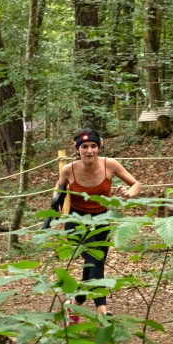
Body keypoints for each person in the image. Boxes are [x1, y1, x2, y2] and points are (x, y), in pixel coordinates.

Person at [54, 129, 142, 319]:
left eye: (93, 146)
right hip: (77, 222)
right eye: (84, 147)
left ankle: (75, 303)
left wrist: (128, 194)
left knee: (94, 265)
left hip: (102, 221)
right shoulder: (69, 169)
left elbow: (136, 184)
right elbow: (58, 189)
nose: (89, 151)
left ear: (99, 146)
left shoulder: (110, 165)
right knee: (94, 261)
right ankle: (102, 311)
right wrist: (57, 206)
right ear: (77, 149)